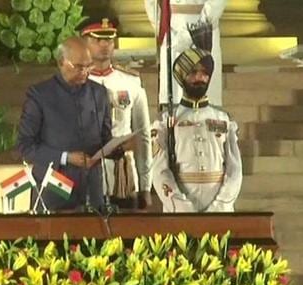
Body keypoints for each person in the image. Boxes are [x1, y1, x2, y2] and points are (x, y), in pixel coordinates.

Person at [17, 37, 121, 211]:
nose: (85, 72)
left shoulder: (99, 93)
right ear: (61, 62)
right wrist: (66, 157)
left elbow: (104, 139)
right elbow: (25, 146)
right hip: (54, 186)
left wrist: (119, 147)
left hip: (92, 189)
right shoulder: (40, 95)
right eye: (79, 66)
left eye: (89, 66)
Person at [151, 45, 241, 212]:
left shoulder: (223, 119)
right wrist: (182, 208)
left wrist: (220, 205)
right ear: (181, 76)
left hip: (219, 210)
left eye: (205, 73)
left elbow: (234, 168)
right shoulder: (165, 121)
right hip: (179, 209)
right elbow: (159, 171)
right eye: (193, 72)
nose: (200, 77)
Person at [79, 16, 153, 210]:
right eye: (97, 39)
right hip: (87, 172)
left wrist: (145, 185)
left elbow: (143, 135)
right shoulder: (75, 84)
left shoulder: (130, 82)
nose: (105, 45)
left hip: (123, 175)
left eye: (109, 39)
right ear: (84, 42)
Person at [144, 0, 226, 106]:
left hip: (205, 32)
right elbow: (151, 4)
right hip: (173, 31)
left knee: (205, 96)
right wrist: (164, 31)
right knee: (173, 98)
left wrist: (196, 30)